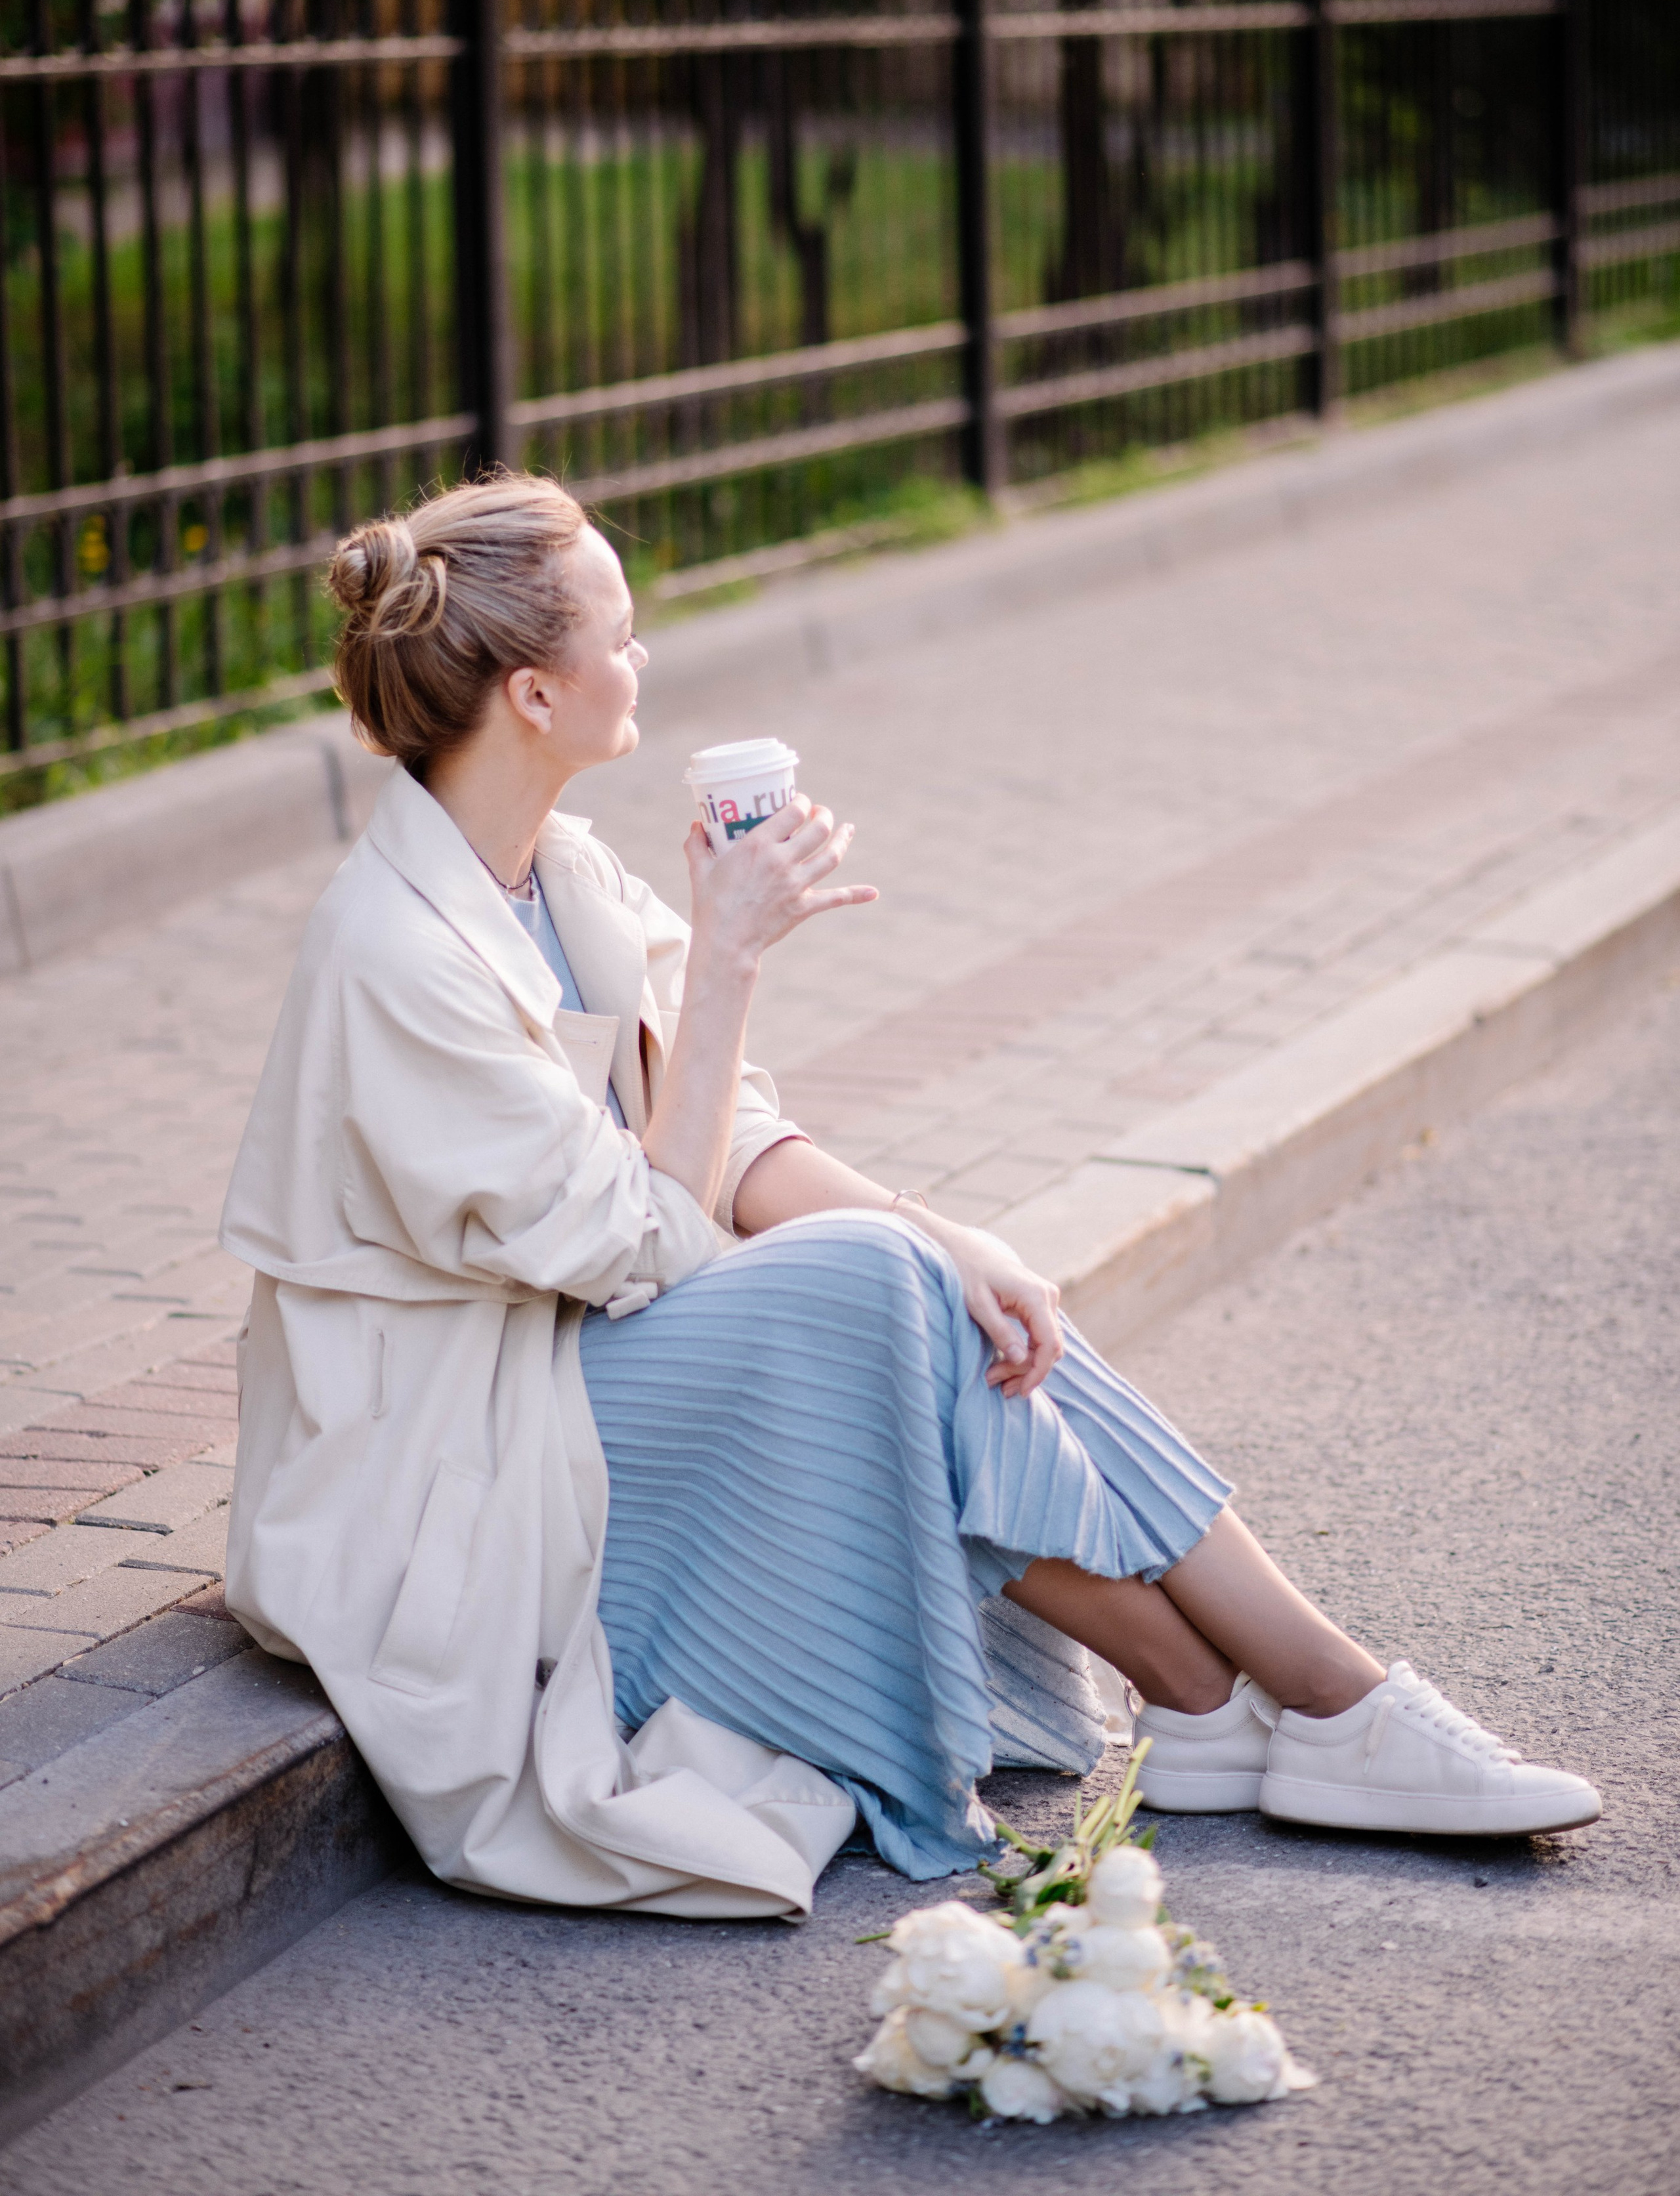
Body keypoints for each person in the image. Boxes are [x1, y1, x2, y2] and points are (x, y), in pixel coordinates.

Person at [220, 475, 1601, 1920]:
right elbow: (627, 1249)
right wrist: (734, 966)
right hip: (459, 1443)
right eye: (619, 637)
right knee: (868, 1287)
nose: (644, 662)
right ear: (533, 696)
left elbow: (732, 1142)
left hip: (571, 1363)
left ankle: (1273, 1699)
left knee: (931, 1282)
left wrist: (958, 1240)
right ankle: (1264, 1699)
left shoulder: (555, 871)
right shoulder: (393, 949)